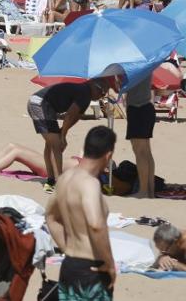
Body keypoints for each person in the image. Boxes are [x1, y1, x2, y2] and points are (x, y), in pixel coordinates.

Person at [45, 126, 117, 301]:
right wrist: (109, 263)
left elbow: (51, 217)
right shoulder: (90, 183)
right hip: (92, 269)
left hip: (70, 265)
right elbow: (96, 225)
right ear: (108, 155)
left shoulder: (65, 179)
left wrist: (66, 247)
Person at [27, 79, 106, 189]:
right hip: (40, 104)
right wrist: (63, 135)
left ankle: (51, 179)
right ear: (94, 86)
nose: (102, 95)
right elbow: (69, 116)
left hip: (42, 104)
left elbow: (75, 116)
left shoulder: (84, 93)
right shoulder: (85, 93)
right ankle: (58, 181)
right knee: (57, 144)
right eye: (102, 91)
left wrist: (64, 131)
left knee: (51, 144)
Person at [124, 74, 156, 199]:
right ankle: (150, 191)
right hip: (146, 108)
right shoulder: (147, 63)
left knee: (140, 152)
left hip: (138, 108)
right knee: (146, 152)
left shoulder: (134, 67)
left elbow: (123, 87)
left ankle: (143, 191)